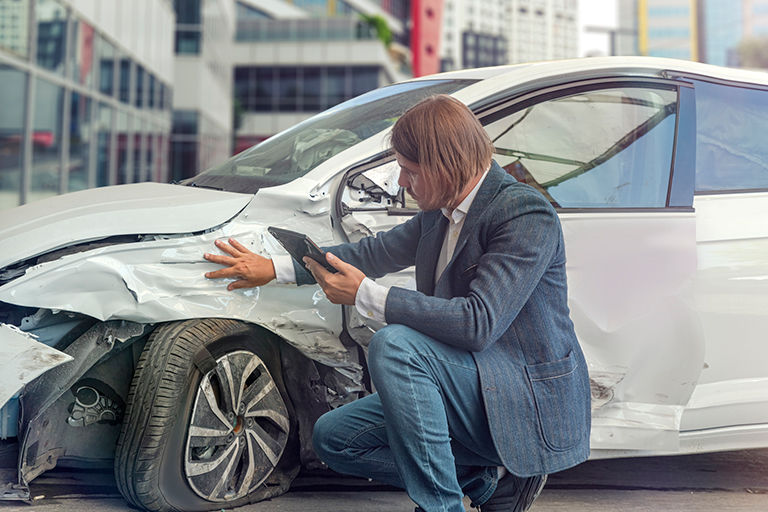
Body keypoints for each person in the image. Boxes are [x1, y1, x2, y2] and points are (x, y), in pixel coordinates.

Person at [204, 95, 591, 512]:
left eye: (409, 170)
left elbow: (478, 324)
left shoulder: (523, 213)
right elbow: (373, 253)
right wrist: (276, 267)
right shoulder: (440, 214)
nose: (401, 182)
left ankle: (442, 507)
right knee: (335, 438)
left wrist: (365, 295)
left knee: (396, 344)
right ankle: (486, 482)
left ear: (446, 163)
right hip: (466, 383)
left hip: (516, 396)